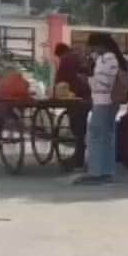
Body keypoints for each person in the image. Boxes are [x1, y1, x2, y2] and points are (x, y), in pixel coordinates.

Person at [79, 32, 128, 184]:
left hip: (104, 101)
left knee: (96, 136)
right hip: (105, 102)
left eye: (93, 47)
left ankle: (96, 172)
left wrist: (87, 80)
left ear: (100, 45)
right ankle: (105, 171)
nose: (92, 50)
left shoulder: (108, 59)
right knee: (105, 137)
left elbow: (104, 84)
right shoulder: (105, 58)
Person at [53, 42, 91, 170]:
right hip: (86, 96)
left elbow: (60, 79)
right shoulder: (79, 56)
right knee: (81, 129)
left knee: (77, 129)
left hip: (75, 98)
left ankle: (78, 160)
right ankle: (79, 158)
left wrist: (54, 91)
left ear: (60, 53)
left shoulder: (66, 58)